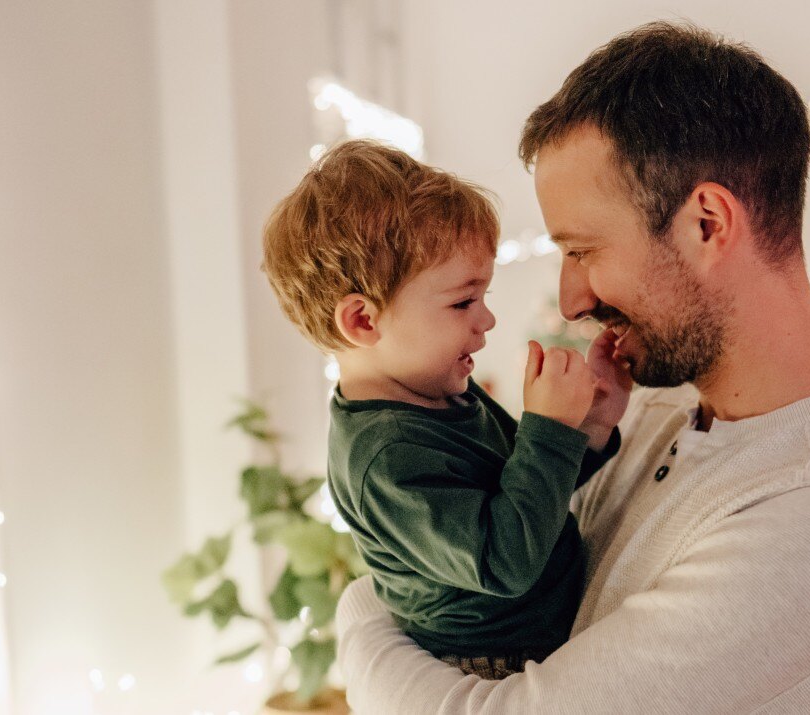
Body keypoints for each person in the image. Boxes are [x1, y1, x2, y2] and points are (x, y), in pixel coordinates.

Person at [331, 21, 810, 713]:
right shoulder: (661, 406)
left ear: (706, 223)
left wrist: (360, 617)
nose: (572, 298)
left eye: (582, 250)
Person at [260, 140, 628, 678]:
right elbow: (506, 561)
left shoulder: (440, 388)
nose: (487, 321)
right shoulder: (384, 458)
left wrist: (588, 425)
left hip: (547, 631)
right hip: (496, 663)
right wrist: (548, 430)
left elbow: (526, 496)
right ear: (364, 321)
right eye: (463, 302)